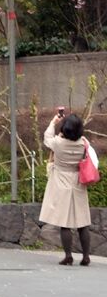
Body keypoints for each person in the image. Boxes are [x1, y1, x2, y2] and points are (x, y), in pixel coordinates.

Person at [40, 109, 92, 266]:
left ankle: (68, 255)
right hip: (78, 181)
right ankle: (86, 256)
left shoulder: (58, 143)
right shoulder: (83, 144)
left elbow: (47, 137)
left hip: (61, 180)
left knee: (65, 222)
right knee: (83, 223)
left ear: (65, 129)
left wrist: (53, 122)